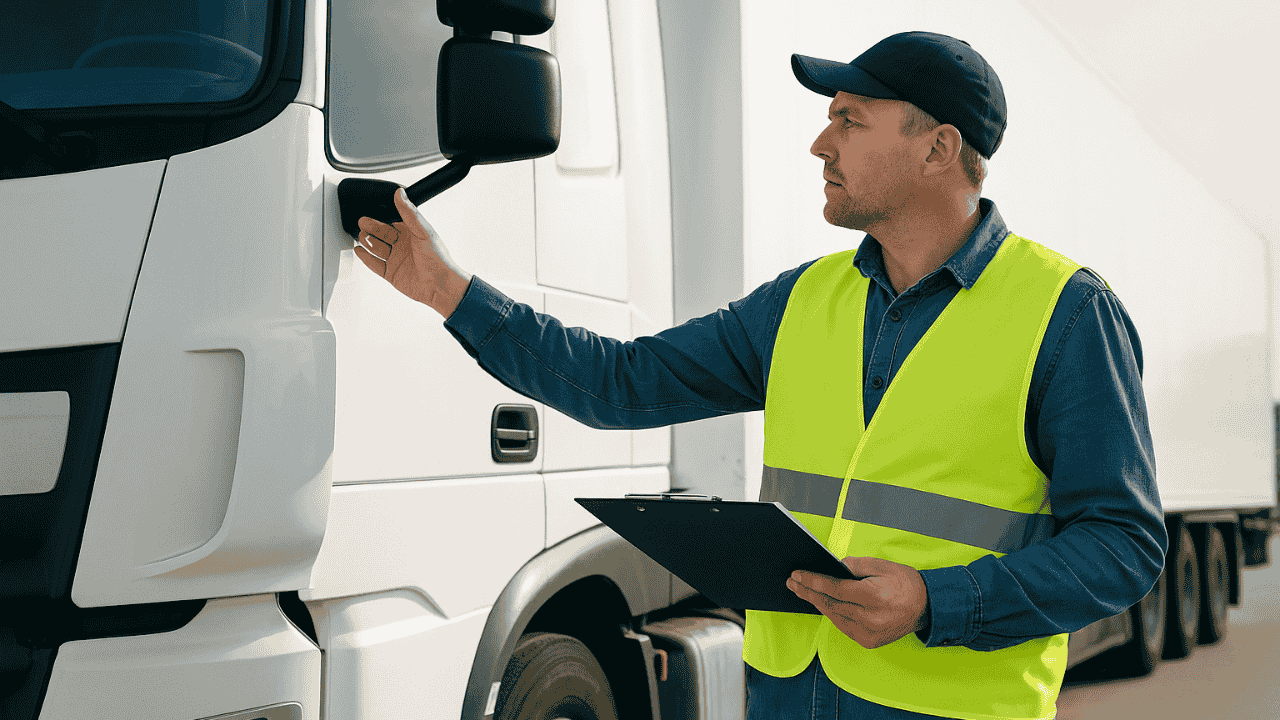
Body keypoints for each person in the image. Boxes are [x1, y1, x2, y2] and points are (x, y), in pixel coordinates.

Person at [353, 30, 1166, 720]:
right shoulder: (804, 301)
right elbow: (622, 382)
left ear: (937, 148)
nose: (822, 143)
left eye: (850, 120)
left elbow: (1123, 545)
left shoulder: (1065, 312)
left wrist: (933, 600)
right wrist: (452, 295)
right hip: (786, 695)